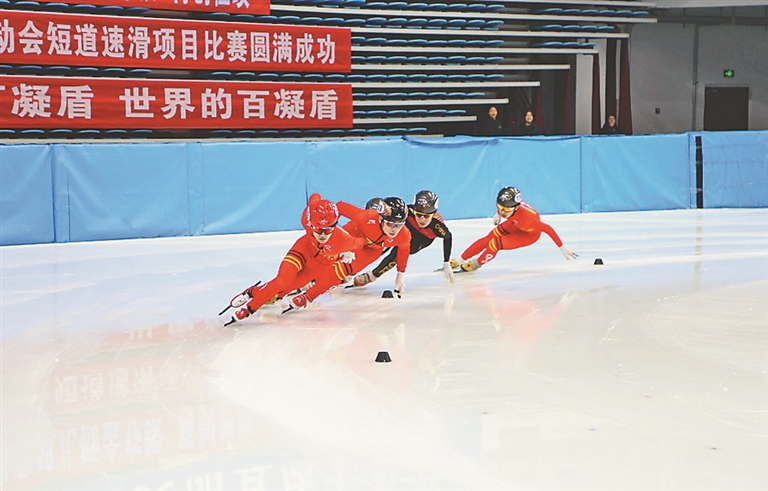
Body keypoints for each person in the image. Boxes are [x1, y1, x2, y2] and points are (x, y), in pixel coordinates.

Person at [222, 194, 364, 325]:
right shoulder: (306, 220)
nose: (322, 234)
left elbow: (362, 243)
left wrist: (347, 252)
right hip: (303, 250)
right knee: (282, 280)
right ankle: (249, 303)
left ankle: (254, 292)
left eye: (327, 229)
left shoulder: (345, 240)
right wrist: (248, 310)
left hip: (320, 265)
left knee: (286, 289)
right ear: (310, 223)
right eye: (317, 229)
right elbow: (314, 197)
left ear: (335, 225)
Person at [285, 196, 413, 309]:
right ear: (380, 219)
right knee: (324, 258)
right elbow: (340, 207)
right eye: (390, 224)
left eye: (399, 225)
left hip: (372, 249)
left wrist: (400, 275)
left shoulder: (403, 235)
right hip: (353, 234)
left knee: (341, 272)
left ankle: (308, 297)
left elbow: (404, 250)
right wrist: (330, 228)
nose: (394, 229)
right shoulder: (366, 217)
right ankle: (295, 283)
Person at [450, 186, 578, 272]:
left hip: (528, 235)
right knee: (488, 238)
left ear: (516, 207)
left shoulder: (528, 219)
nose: (502, 212)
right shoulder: (510, 207)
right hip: (514, 222)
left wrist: (561, 246)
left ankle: (476, 264)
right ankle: (459, 260)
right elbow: (503, 207)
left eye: (505, 210)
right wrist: (498, 214)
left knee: (495, 244)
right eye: (499, 207)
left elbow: (547, 228)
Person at [350, 190, 455, 287]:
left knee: (397, 253)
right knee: (377, 245)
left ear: (433, 214)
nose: (422, 220)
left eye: (427, 216)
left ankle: (372, 275)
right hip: (405, 231)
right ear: (413, 210)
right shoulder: (407, 211)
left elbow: (448, 237)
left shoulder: (437, 225)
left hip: (422, 239)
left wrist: (446, 262)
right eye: (418, 215)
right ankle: (351, 268)